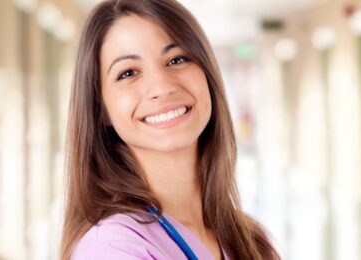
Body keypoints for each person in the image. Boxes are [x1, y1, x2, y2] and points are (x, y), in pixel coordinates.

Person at [59, 0, 280, 259]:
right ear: (101, 108)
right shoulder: (112, 248)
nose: (162, 87)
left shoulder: (251, 240)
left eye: (177, 59)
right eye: (128, 73)